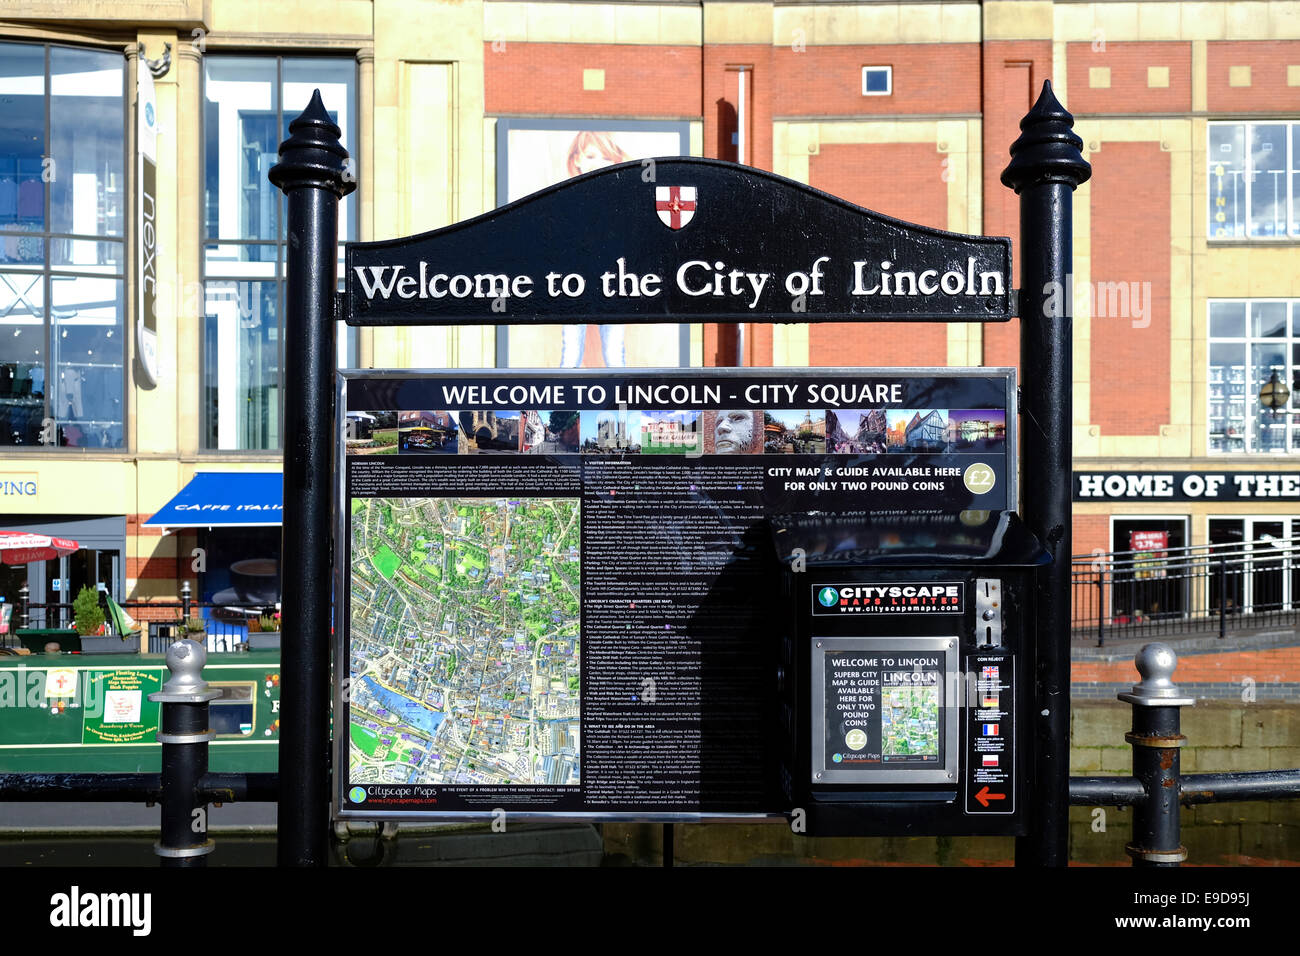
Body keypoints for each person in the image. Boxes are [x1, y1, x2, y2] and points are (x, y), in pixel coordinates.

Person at [560, 132, 629, 367]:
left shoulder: (622, 203)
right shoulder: (565, 200)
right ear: (577, 159)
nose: (598, 163)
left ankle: (624, 403)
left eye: (606, 158)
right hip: (574, 284)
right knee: (571, 351)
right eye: (591, 155)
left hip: (612, 284)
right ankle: (564, 404)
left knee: (614, 352)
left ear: (615, 162)